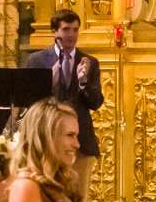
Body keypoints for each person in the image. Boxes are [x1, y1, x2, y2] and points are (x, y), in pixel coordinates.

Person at [25, 8, 104, 153]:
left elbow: (96, 103)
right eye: (66, 29)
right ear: (54, 31)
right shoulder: (37, 60)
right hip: (47, 140)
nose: (71, 35)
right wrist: (52, 78)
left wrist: (83, 82)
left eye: (75, 30)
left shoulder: (89, 62)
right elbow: (30, 101)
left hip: (80, 143)